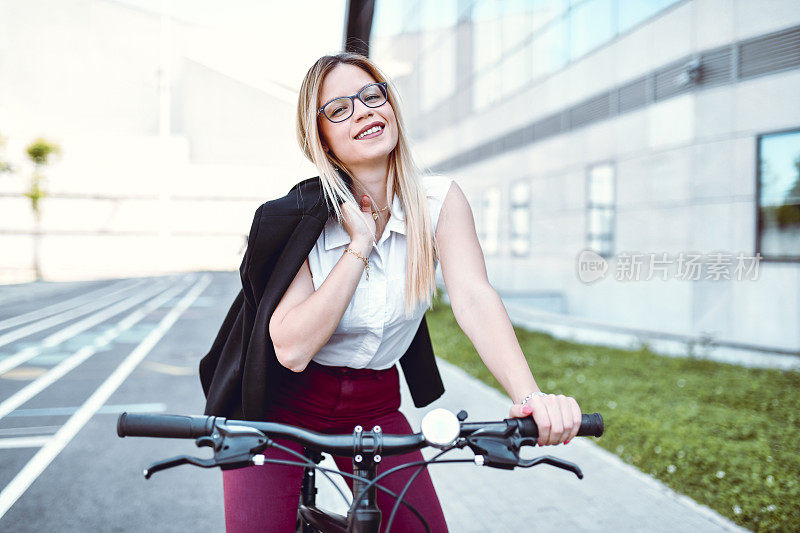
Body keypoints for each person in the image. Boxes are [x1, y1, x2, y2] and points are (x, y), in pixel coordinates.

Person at [221, 52, 583, 533]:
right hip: (278, 405)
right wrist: (360, 245)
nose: (365, 111)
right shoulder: (292, 217)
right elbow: (290, 347)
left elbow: (474, 298)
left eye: (372, 96)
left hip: (372, 405)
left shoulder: (439, 202)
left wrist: (531, 397)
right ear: (321, 139)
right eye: (340, 109)